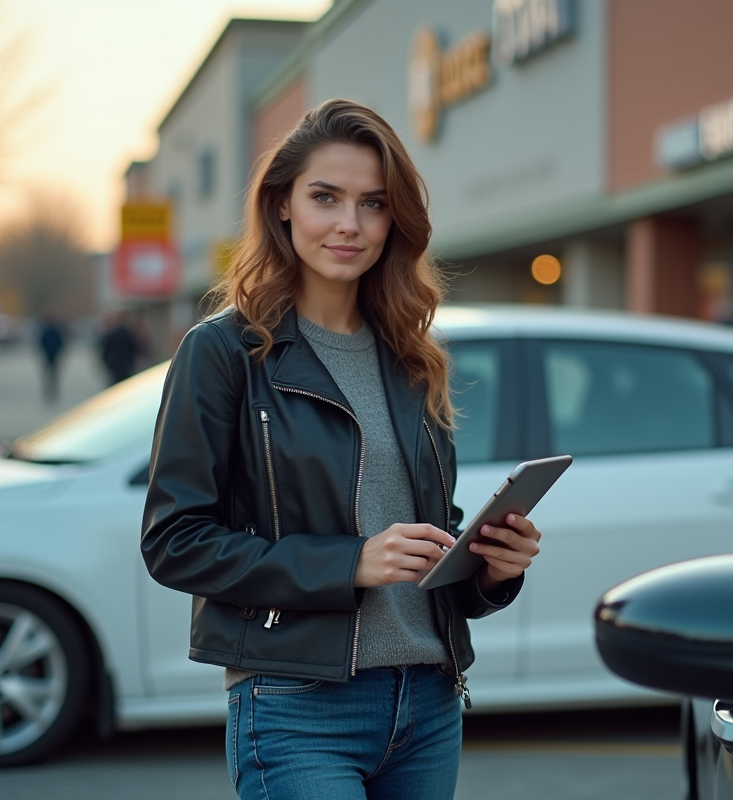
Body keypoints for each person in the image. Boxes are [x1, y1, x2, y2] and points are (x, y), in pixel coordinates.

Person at [140, 99, 542, 800]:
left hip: (427, 702)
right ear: (283, 206)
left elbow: (424, 531)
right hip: (298, 705)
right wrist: (349, 562)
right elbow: (174, 541)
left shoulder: (412, 355)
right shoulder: (224, 352)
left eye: (374, 203)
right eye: (326, 197)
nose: (350, 224)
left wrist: (487, 571)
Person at [99, 310, 139, 384]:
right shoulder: (127, 333)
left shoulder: (112, 334)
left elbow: (105, 352)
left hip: (115, 365)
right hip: (126, 365)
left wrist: (109, 364)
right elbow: (134, 349)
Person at [36, 312, 64, 403]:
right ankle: (51, 391)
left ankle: (51, 391)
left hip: (50, 354)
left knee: (51, 374)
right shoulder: (51, 330)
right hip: (50, 354)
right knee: (51, 374)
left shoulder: (49, 330)